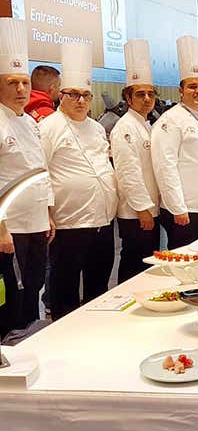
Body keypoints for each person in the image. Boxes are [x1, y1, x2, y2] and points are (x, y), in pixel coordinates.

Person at [40, 42, 118, 320]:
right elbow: (41, 172)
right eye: (74, 94)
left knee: (99, 288)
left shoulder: (97, 128)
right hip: (68, 223)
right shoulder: (49, 127)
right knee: (65, 291)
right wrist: (47, 212)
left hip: (103, 221)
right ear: (61, 95)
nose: (81, 101)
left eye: (86, 94)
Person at [0, 18, 54, 331]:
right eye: (12, 82)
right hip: (11, 227)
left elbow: (40, 171)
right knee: (14, 293)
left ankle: (32, 336)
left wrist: (48, 213)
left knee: (34, 284)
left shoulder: (31, 123)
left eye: (24, 82)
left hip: (36, 222)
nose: (21, 89)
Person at [151, 36, 198, 249]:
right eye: (192, 86)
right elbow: (164, 166)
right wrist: (177, 207)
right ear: (181, 91)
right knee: (187, 267)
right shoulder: (171, 120)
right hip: (188, 211)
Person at [110, 39, 160, 283]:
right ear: (128, 98)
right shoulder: (125, 128)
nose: (147, 98)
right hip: (136, 213)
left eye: (151, 94)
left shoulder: (147, 125)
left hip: (150, 208)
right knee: (134, 264)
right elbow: (128, 173)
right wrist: (143, 210)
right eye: (140, 94)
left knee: (146, 263)